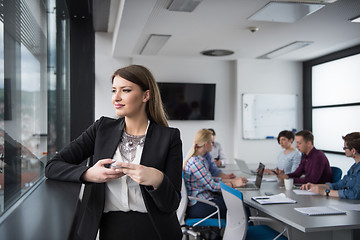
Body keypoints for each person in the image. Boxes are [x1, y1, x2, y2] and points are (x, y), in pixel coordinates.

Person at [45, 65, 183, 240]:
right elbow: (52, 166)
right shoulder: (101, 128)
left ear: (146, 95)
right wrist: (89, 174)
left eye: (125, 90)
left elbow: (172, 204)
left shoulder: (170, 137)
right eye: (113, 90)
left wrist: (157, 179)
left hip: (156, 231)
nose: (116, 98)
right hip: (110, 228)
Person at [183, 129, 247, 219]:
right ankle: (247, 231)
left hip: (203, 200)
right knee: (238, 208)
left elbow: (210, 179)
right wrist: (233, 184)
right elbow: (213, 186)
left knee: (236, 203)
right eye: (211, 142)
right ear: (206, 144)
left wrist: (231, 181)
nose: (213, 145)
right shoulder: (196, 162)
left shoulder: (199, 159)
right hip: (199, 205)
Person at [301, 132, 360, 199]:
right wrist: (317, 186)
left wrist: (325, 192)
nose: (344, 150)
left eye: (345, 148)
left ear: (353, 151)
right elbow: (339, 185)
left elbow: (355, 194)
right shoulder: (354, 167)